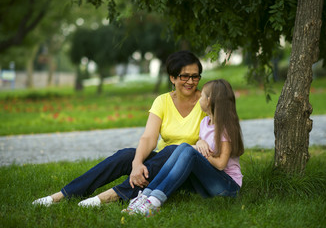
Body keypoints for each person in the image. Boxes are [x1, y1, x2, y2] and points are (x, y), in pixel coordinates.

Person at [32, 50, 207, 207]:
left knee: (175, 150)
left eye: (195, 76)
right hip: (161, 165)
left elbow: (217, 137)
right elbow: (148, 138)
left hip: (190, 171)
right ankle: (62, 195)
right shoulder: (163, 101)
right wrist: (137, 164)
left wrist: (202, 141)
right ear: (173, 78)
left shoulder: (207, 102)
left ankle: (110, 196)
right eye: (184, 76)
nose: (190, 81)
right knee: (126, 155)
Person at [123, 79, 245, 217]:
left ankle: (154, 201)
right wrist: (199, 143)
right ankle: (145, 196)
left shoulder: (225, 128)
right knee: (184, 147)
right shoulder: (205, 122)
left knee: (188, 150)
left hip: (227, 187)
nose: (199, 98)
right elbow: (203, 144)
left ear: (209, 100)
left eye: (202, 96)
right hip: (207, 185)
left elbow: (221, 164)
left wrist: (199, 152)